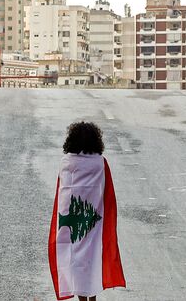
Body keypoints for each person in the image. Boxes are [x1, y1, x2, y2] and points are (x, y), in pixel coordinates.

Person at [49, 122, 126, 301]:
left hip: (71, 218)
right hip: (93, 218)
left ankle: (82, 298)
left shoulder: (66, 163)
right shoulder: (100, 163)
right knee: (92, 259)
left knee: (74, 258)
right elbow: (105, 190)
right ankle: (92, 297)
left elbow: (64, 190)